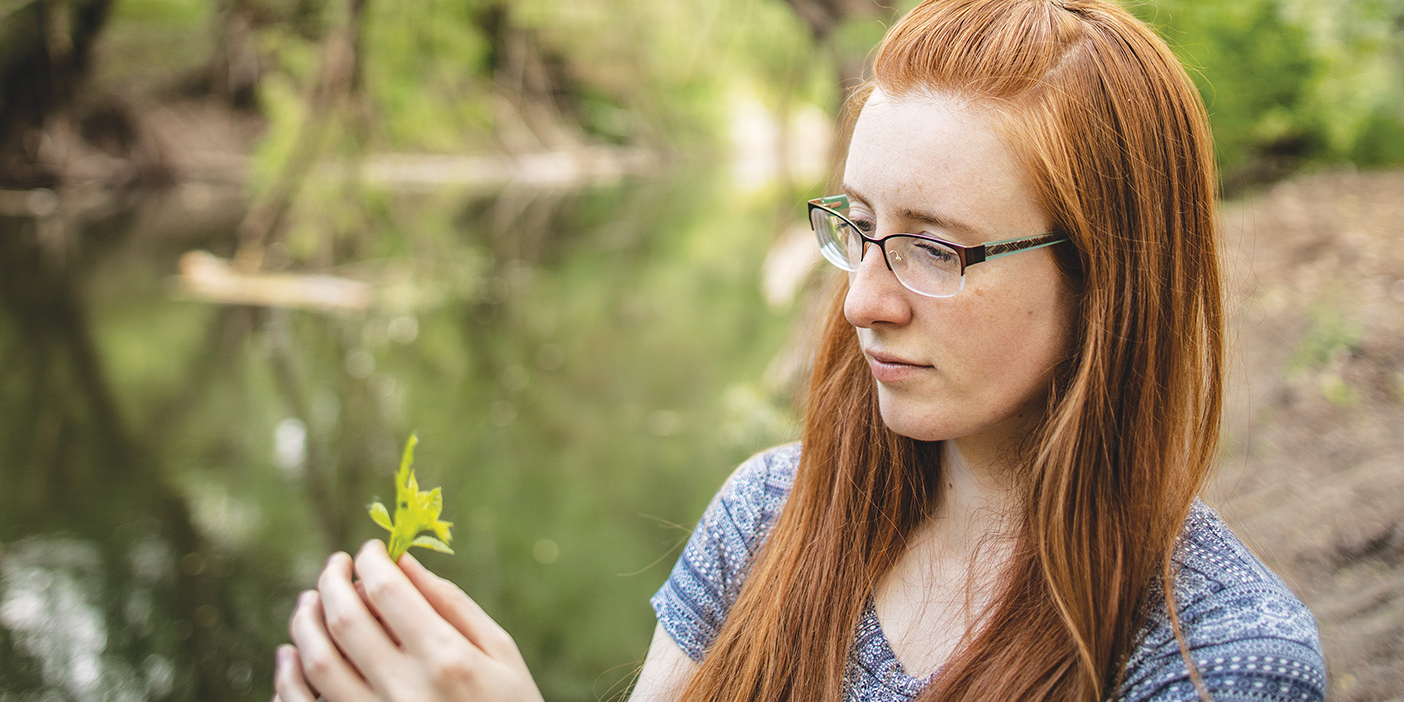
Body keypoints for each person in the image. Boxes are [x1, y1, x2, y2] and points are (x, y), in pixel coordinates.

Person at [272, 0, 1327, 700]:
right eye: (858, 226)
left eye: (932, 249)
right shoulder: (767, 518)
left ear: (1108, 278)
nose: (862, 300)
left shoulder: (1220, 663)